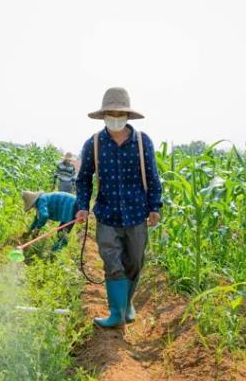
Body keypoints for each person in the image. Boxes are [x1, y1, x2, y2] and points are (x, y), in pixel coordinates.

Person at [75, 87, 162, 328]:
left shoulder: (143, 142)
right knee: (112, 263)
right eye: (110, 114)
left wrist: (155, 206)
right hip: (107, 215)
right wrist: (82, 206)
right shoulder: (93, 144)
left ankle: (127, 304)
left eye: (119, 113)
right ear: (103, 116)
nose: (115, 118)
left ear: (127, 116)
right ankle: (116, 313)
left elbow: (153, 177)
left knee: (134, 262)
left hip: (136, 214)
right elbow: (84, 178)